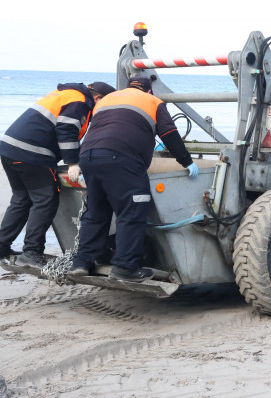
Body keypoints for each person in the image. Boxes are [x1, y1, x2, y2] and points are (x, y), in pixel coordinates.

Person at [68, 76, 199, 282]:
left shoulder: (108, 100)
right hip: (121, 158)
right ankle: (126, 267)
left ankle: (82, 263)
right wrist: (186, 161)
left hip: (88, 156)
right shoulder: (153, 102)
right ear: (148, 91)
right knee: (132, 210)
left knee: (96, 212)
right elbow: (169, 133)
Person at [0, 81, 116, 267]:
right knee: (45, 200)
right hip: (32, 152)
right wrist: (73, 163)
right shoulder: (80, 101)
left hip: (9, 147)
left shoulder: (67, 94)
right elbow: (66, 130)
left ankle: (2, 246)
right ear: (98, 98)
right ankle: (31, 252)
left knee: (21, 199)